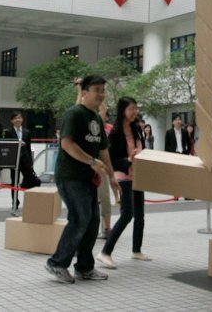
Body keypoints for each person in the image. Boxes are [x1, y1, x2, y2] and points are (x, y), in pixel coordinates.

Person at [45, 75, 119, 284]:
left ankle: (85, 268)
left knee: (92, 221)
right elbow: (67, 144)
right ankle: (57, 263)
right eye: (96, 89)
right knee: (80, 219)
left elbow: (103, 149)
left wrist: (112, 176)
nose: (101, 94)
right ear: (84, 92)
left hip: (88, 178)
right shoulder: (74, 114)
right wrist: (91, 161)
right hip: (70, 177)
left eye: (103, 90)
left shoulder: (96, 118)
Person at [97, 96, 151, 269]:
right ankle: (105, 252)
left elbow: (141, 149)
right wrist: (129, 159)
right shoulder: (116, 132)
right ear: (123, 110)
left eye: (136, 108)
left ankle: (136, 250)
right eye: (131, 109)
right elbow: (112, 159)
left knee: (140, 215)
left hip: (138, 175)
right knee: (127, 213)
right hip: (123, 175)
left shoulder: (136, 128)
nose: (135, 112)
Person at [6, 111, 33, 213]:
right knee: (14, 181)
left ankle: (30, 201)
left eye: (20, 118)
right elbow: (7, 146)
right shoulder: (8, 131)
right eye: (16, 118)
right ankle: (15, 202)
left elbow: (29, 147)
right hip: (14, 160)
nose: (18, 120)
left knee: (29, 181)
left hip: (25, 160)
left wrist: (30, 161)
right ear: (12, 120)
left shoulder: (27, 132)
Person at [97, 100, 114, 235]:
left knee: (105, 198)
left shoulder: (104, 128)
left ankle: (107, 228)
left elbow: (102, 114)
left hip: (101, 167)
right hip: (87, 166)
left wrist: (101, 99)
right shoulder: (83, 123)